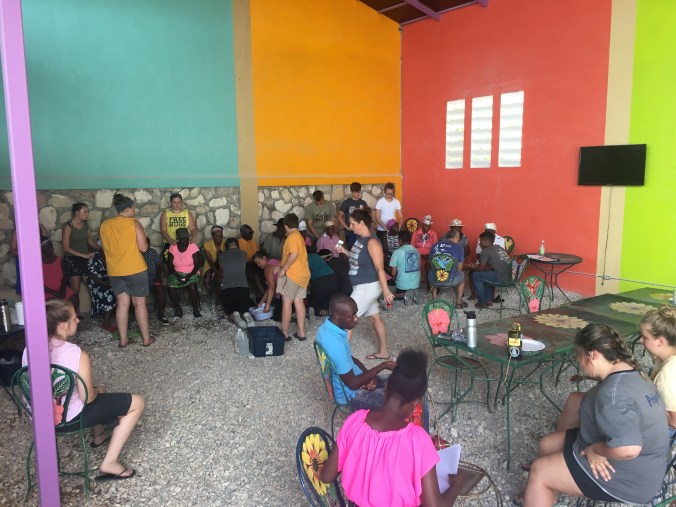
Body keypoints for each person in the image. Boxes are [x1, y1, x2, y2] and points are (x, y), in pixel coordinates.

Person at [522, 324, 670, 506]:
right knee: (546, 444)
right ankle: (542, 493)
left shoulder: (612, 395)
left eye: (579, 355)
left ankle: (542, 483)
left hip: (630, 477)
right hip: (648, 463)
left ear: (593, 355)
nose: (579, 362)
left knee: (539, 471)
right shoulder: (632, 371)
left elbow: (629, 449)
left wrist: (596, 450)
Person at [320, 348, 464, 507]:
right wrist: (457, 485)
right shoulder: (418, 440)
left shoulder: (355, 421)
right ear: (416, 401)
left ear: (386, 387)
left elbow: (326, 476)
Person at [23, 299, 145, 481]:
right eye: (74, 318)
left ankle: (99, 435)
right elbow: (87, 398)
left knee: (100, 389)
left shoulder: (29, 349)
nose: (78, 320)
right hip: (67, 419)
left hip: (38, 417)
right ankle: (110, 462)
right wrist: (95, 391)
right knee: (137, 403)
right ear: (63, 325)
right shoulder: (77, 354)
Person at [316, 294, 396, 410]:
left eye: (356, 313)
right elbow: (353, 384)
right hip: (350, 394)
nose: (356, 318)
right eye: (352, 315)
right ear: (337, 315)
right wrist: (383, 365)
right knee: (399, 401)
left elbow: (350, 358)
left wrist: (369, 376)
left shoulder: (326, 329)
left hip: (355, 379)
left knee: (401, 382)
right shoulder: (336, 345)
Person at [336, 208, 394, 360]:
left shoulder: (372, 242)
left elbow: (380, 268)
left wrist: (386, 290)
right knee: (375, 318)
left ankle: (340, 359)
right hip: (362, 286)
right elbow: (358, 259)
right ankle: (383, 352)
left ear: (361, 222)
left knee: (347, 317)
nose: (350, 227)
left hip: (368, 287)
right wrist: (345, 252)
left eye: (352, 224)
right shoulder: (360, 239)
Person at [100, 193, 153, 347]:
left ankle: (123, 340)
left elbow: (104, 247)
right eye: (133, 208)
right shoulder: (134, 224)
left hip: (115, 271)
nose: (134, 211)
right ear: (128, 209)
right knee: (139, 304)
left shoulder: (105, 225)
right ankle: (146, 339)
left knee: (122, 304)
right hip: (135, 268)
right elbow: (144, 248)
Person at [640, 306, 676, 435]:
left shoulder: (667, 375)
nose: (640, 340)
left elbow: (674, 422)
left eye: (645, 337)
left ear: (660, 341)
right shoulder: (665, 359)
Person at [275, 213, 310, 341]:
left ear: (286, 226)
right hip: (303, 275)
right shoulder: (299, 236)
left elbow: (293, 254)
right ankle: (301, 332)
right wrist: (280, 265)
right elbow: (290, 255)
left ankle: (284, 332)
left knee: (287, 302)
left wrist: (283, 269)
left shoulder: (292, 237)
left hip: (292, 275)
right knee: (299, 302)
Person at [62, 203, 100, 309]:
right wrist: (83, 255)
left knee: (93, 284)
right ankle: (76, 312)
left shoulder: (85, 225)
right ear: (76, 212)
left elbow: (90, 241)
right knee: (75, 289)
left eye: (88, 212)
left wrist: (101, 250)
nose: (87, 214)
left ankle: (96, 309)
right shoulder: (68, 226)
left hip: (85, 259)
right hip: (72, 260)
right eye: (85, 212)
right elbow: (66, 247)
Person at [218, 237, 255, 328]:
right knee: (244, 310)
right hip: (243, 289)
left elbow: (222, 271)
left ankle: (235, 316)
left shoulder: (221, 256)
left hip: (227, 289)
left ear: (226, 247)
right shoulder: (243, 253)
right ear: (237, 246)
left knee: (229, 313)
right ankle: (246, 315)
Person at [167, 227, 202, 318]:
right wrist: (176, 274)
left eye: (187, 238)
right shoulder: (173, 247)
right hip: (176, 273)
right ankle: (178, 309)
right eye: (183, 239)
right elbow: (169, 264)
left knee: (192, 286)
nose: (186, 240)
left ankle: (196, 309)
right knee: (170, 287)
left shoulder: (193, 246)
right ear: (178, 239)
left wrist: (189, 276)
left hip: (192, 272)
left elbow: (197, 264)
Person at [470, 231, 510, 308]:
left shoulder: (485, 251)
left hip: (500, 278)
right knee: (487, 274)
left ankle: (482, 303)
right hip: (510, 277)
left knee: (476, 275)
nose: (479, 244)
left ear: (485, 242)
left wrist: (473, 267)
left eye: (480, 241)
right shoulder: (499, 248)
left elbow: (480, 269)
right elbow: (494, 265)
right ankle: (488, 300)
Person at [41, 236, 79, 312]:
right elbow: (40, 284)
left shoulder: (59, 260)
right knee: (52, 304)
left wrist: (62, 289)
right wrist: (53, 292)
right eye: (48, 248)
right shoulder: (39, 265)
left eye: (51, 246)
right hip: (48, 292)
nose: (51, 249)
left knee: (74, 299)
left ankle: (70, 317)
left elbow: (65, 277)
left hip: (61, 289)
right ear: (42, 250)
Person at [429, 230, 466, 307]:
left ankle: (434, 300)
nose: (458, 242)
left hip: (435, 279)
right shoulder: (459, 247)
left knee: (432, 272)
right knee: (462, 274)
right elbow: (459, 268)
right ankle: (459, 302)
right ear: (455, 238)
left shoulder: (434, 245)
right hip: (451, 280)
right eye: (458, 240)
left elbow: (431, 263)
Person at [86, 249, 117, 333]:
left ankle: (122, 320)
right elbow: (94, 277)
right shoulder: (94, 258)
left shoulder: (111, 255)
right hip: (96, 283)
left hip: (108, 281)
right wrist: (109, 285)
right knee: (109, 293)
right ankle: (106, 323)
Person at [389, 229, 421, 299]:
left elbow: (393, 273)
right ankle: (410, 294)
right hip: (415, 285)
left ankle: (403, 295)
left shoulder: (397, 252)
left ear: (400, 240)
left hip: (402, 286)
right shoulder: (416, 251)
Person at [307, 252, 342, 317]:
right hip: (334, 278)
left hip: (321, 281)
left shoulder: (302, 259)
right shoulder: (315, 255)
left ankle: (325, 313)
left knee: (312, 306)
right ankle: (331, 314)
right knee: (328, 302)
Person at [142, 242, 168, 325]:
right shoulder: (135, 253)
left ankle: (161, 314)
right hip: (140, 280)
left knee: (160, 288)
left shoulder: (152, 252)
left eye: (147, 243)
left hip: (153, 278)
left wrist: (157, 276)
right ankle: (141, 318)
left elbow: (159, 265)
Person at [337, 182, 368, 248]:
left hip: (361, 232)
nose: (357, 194)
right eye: (354, 193)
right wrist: (347, 227)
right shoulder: (346, 203)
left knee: (361, 250)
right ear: (351, 191)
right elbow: (339, 216)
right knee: (351, 249)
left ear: (360, 190)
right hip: (350, 232)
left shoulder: (363, 203)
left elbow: (367, 217)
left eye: (358, 192)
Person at [253, 250, 281, 322]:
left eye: (259, 262)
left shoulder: (268, 268)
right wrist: (262, 302)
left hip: (283, 292)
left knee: (278, 317)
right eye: (257, 264)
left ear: (264, 258)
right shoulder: (274, 262)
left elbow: (271, 288)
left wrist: (267, 306)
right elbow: (270, 287)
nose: (258, 265)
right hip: (291, 288)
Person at [374, 182, 403, 251]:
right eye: (387, 194)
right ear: (384, 192)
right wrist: (386, 228)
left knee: (394, 249)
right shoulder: (380, 201)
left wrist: (399, 228)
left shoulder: (396, 202)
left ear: (393, 193)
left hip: (393, 230)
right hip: (381, 229)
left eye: (391, 194)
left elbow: (401, 217)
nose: (389, 195)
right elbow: (377, 217)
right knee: (381, 249)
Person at [239, 224, 265, 297]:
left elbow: (257, 255)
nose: (252, 234)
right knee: (256, 275)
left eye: (252, 232)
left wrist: (252, 258)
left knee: (265, 271)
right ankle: (264, 295)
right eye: (250, 233)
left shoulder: (253, 243)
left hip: (255, 264)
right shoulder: (239, 243)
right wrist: (252, 258)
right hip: (244, 266)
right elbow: (244, 260)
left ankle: (264, 295)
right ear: (243, 233)